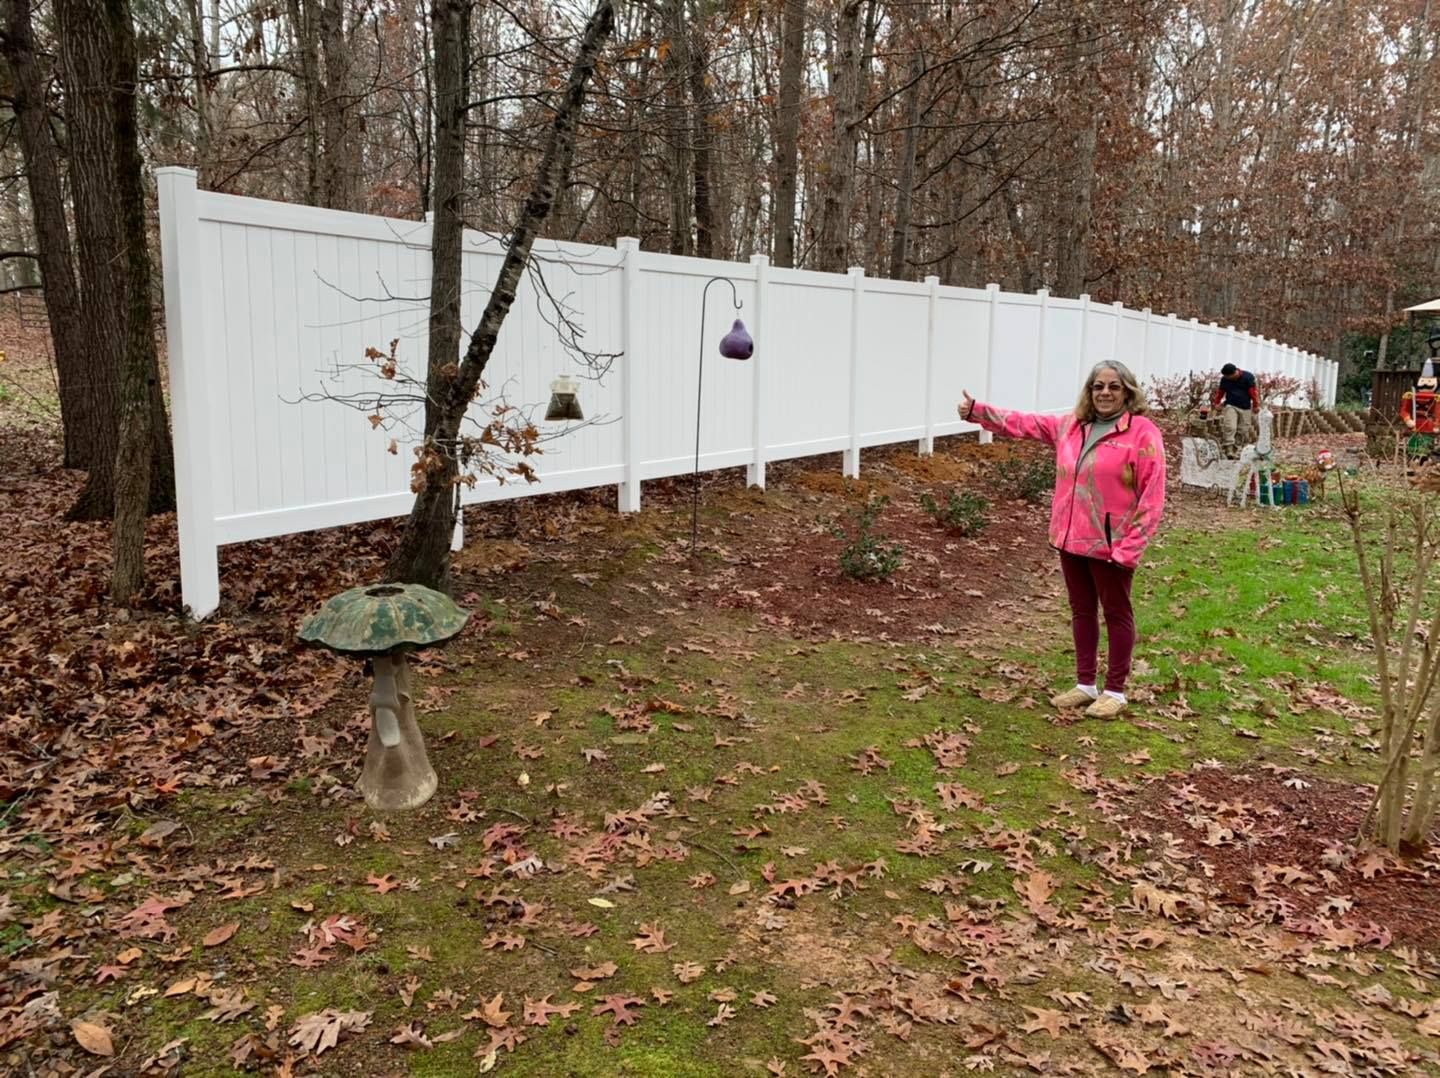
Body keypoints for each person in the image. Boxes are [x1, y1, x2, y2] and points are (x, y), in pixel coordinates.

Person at [958, 363, 1165, 719]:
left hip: (1111, 545)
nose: (1105, 393)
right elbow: (1023, 423)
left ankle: (1115, 690)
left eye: (1114, 387)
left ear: (1127, 392)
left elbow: (1152, 497)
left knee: (1116, 613)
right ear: (1089, 390)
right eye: (1098, 386)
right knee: (1082, 611)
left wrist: (1129, 548)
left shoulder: (1141, 433)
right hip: (1071, 539)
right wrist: (978, 411)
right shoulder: (1071, 426)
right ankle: (1086, 684)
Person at [1210, 363, 1258, 459]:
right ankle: (1229, 449)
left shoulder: (1248, 377)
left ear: (1234, 372)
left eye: (1229, 376)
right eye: (1226, 377)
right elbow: (1221, 392)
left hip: (1245, 407)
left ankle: (1236, 450)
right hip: (1231, 405)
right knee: (1230, 427)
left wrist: (1256, 405)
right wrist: (1217, 403)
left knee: (1242, 430)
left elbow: (1253, 392)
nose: (1227, 378)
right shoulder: (1225, 379)